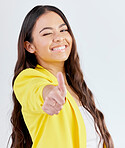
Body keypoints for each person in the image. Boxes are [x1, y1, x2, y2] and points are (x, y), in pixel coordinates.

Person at [10, 5, 114, 148]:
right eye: (47, 33)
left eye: (63, 30)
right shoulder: (26, 79)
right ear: (29, 46)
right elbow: (35, 91)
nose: (59, 37)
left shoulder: (77, 88)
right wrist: (48, 94)